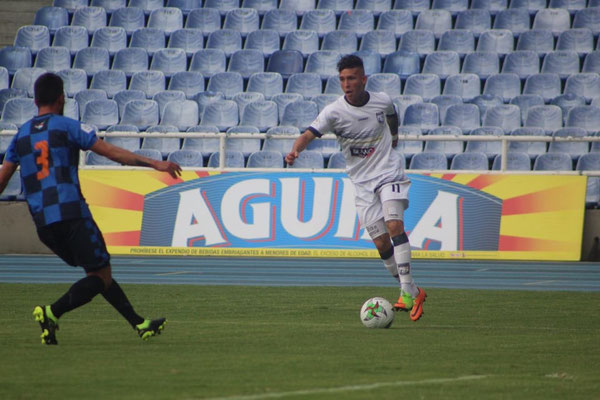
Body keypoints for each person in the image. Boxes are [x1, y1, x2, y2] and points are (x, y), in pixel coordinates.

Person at [0, 73, 182, 344]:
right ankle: (52, 312)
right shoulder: (67, 126)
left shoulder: (20, 135)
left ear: (35, 100)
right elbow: (111, 153)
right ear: (61, 98)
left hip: (42, 223)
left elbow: (2, 180)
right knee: (100, 276)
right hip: (72, 214)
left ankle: (139, 323)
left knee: (98, 273)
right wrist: (155, 163)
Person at [285, 55, 427, 321]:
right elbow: (308, 134)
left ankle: (405, 293)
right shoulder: (334, 112)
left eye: (351, 78)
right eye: (342, 79)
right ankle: (415, 291)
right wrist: (295, 150)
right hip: (361, 183)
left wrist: (394, 137)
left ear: (363, 79)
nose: (346, 84)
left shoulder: (381, 100)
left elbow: (392, 116)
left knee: (394, 224)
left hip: (389, 173)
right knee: (382, 244)